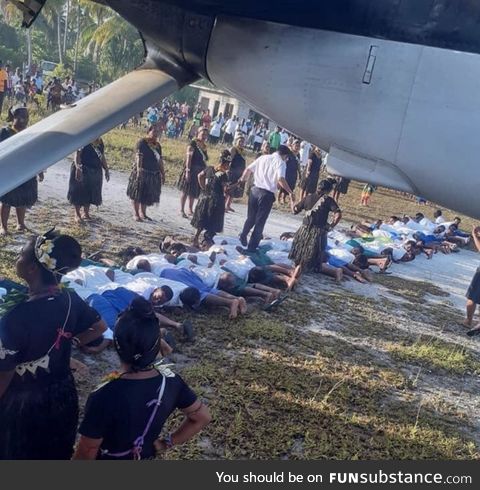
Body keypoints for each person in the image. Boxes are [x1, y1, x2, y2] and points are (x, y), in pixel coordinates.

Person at [0, 230, 107, 459]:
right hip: (61, 398)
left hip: (22, 405)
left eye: (20, 255)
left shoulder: (16, 317)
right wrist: (69, 342)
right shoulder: (70, 299)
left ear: (32, 268)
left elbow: (4, 376)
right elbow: (99, 327)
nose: (16, 259)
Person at [74, 296, 210, 460]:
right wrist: (167, 443)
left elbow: (87, 449)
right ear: (157, 343)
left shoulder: (104, 394)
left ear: (117, 345)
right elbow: (202, 417)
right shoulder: (171, 381)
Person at [238, 145, 295, 252]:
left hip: (254, 190)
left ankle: (244, 233)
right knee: (260, 222)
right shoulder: (281, 163)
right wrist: (290, 192)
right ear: (285, 155)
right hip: (266, 194)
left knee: (251, 218)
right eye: (287, 158)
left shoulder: (263, 157)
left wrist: (242, 180)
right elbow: (281, 179)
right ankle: (252, 247)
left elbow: (248, 169)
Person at [0, 106, 44, 235]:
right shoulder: (5, 132)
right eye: (21, 117)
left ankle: (21, 224)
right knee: (7, 199)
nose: (24, 120)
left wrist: (40, 169)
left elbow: (35, 152)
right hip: (9, 170)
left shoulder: (30, 133)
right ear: (13, 117)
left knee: (23, 198)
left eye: (26, 117)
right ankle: (4, 227)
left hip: (26, 169)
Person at [289, 179, 342, 281]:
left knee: (299, 253)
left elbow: (294, 211)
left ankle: (298, 267)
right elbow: (338, 214)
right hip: (318, 233)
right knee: (317, 260)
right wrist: (331, 226)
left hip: (303, 231)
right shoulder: (328, 200)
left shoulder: (308, 198)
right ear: (328, 190)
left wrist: (292, 200)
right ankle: (328, 270)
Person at [192, 150, 231, 247]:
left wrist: (203, 187)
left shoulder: (210, 168)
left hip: (204, 197)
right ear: (226, 164)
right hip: (215, 200)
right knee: (212, 223)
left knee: (201, 220)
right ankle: (206, 242)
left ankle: (196, 238)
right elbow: (225, 189)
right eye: (228, 164)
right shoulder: (223, 174)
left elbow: (199, 175)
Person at [127, 125, 165, 222]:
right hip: (142, 171)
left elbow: (160, 160)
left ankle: (143, 213)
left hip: (153, 173)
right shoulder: (142, 142)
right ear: (149, 131)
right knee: (137, 193)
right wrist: (139, 169)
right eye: (154, 131)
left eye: (158, 132)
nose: (156, 133)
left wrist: (162, 172)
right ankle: (135, 213)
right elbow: (139, 156)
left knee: (146, 195)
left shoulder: (158, 146)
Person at [68, 138, 110, 223]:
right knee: (79, 192)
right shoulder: (84, 139)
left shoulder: (99, 141)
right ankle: (77, 214)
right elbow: (77, 155)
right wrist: (78, 168)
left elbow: (102, 156)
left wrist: (106, 169)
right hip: (83, 168)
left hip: (94, 170)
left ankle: (86, 213)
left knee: (90, 192)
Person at [178, 126, 208, 218]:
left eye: (206, 135)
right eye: (202, 134)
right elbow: (189, 158)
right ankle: (182, 210)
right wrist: (187, 171)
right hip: (191, 169)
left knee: (194, 191)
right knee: (186, 190)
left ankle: (190, 209)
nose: (204, 136)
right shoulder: (193, 144)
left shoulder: (203, 146)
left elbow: (204, 159)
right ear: (198, 134)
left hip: (199, 171)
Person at [225, 135, 246, 212]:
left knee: (234, 190)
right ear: (236, 141)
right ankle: (223, 205)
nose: (241, 143)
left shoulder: (242, 151)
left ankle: (228, 205)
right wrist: (228, 169)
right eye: (240, 141)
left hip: (239, 172)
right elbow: (230, 160)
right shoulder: (234, 149)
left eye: (243, 142)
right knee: (228, 189)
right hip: (232, 171)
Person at [278, 139, 301, 204]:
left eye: (298, 146)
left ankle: (283, 198)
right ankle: (278, 198)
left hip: (293, 173)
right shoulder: (289, 153)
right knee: (283, 186)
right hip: (287, 172)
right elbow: (284, 161)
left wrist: (299, 173)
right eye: (296, 146)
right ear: (292, 146)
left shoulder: (298, 155)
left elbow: (298, 164)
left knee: (290, 186)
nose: (297, 147)